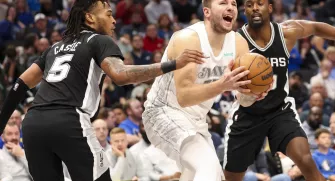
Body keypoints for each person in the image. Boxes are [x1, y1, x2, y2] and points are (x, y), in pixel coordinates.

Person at [0, 0, 205, 180]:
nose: (114, 20)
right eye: (108, 14)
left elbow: (19, 84)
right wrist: (171, 64)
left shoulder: (54, 48)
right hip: (69, 120)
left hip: (33, 124)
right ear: (89, 17)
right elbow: (121, 75)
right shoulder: (99, 41)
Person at [224, 0, 335, 181]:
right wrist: (242, 92)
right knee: (232, 177)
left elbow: (317, 27)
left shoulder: (286, 32)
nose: (254, 8)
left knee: (306, 160)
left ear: (270, 8)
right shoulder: (236, 41)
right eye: (249, 4)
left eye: (260, 3)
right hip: (248, 113)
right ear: (243, 10)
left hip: (279, 111)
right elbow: (227, 78)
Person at [142, 0, 261, 180]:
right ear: (207, 12)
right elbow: (184, 97)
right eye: (222, 3)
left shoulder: (239, 44)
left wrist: (253, 95)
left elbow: (241, 97)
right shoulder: (189, 39)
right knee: (208, 166)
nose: (230, 7)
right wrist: (222, 85)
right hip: (163, 112)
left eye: (234, 4)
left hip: (197, 120)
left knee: (203, 174)